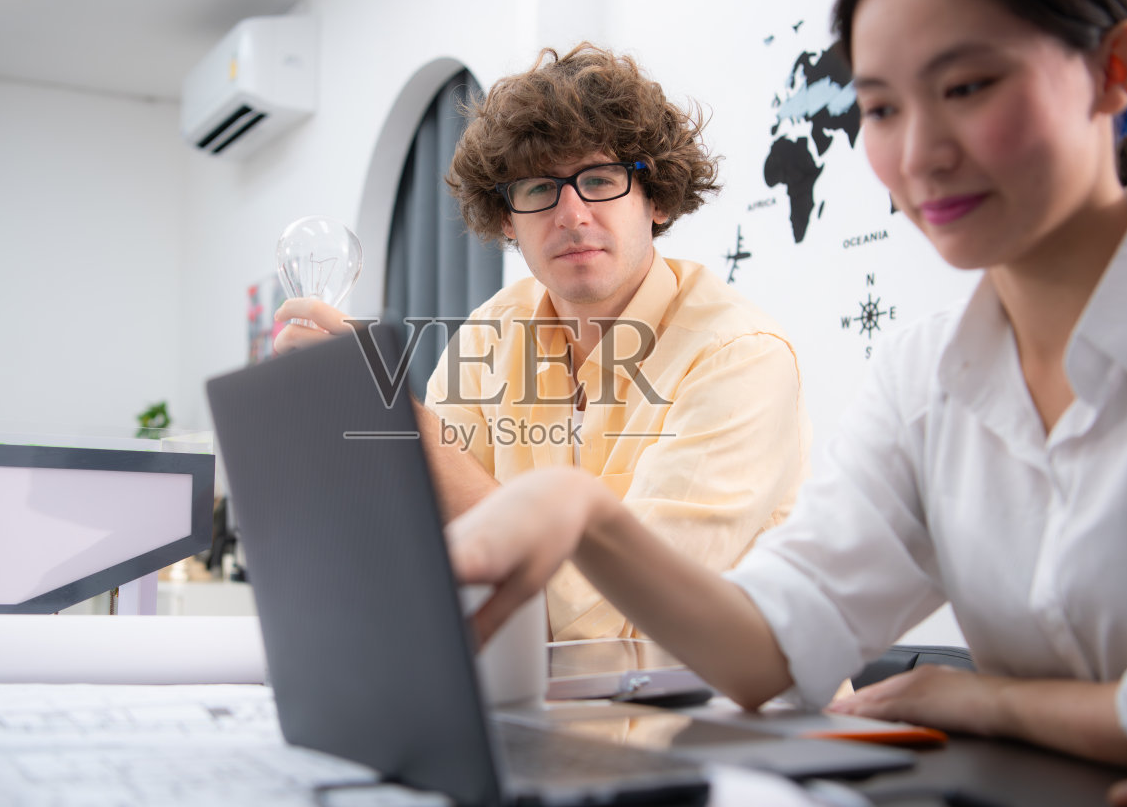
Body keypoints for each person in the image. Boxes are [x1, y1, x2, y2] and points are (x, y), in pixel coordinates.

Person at [444, 0, 1127, 807]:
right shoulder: (928, 373)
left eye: (969, 86)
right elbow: (766, 639)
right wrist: (583, 510)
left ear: (1115, 71)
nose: (922, 151)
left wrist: (994, 699)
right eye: (883, 109)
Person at [276, 44, 811, 641]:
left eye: (601, 180)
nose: (572, 214)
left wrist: (401, 423)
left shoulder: (739, 354)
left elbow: (610, 619)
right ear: (507, 219)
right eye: (537, 189)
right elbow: (418, 553)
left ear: (655, 199)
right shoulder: (492, 333)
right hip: (532, 710)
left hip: (717, 724)